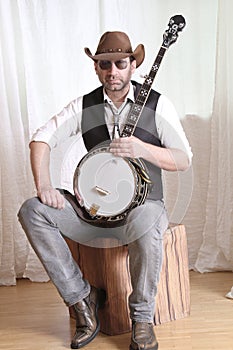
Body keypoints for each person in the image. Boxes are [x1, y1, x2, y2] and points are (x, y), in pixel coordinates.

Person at [18, 31, 192, 350]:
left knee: (151, 218)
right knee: (33, 210)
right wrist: (43, 186)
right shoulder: (84, 106)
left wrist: (143, 148)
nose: (113, 71)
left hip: (142, 208)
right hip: (94, 209)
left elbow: (183, 159)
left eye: (120, 64)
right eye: (105, 65)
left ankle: (141, 321)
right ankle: (84, 303)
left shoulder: (156, 104)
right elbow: (41, 138)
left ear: (133, 65)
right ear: (96, 69)